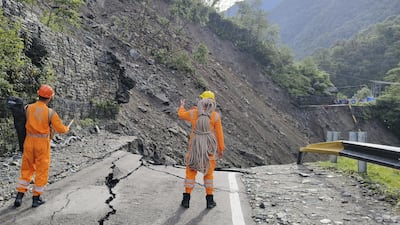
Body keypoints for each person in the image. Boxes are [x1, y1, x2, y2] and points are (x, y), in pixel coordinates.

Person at [14, 85, 71, 208]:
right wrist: (67, 128)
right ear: (49, 98)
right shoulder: (51, 113)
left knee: (26, 169)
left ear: (38, 94)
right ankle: (36, 198)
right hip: (42, 144)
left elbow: (22, 122)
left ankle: (19, 196)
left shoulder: (28, 108)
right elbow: (60, 129)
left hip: (29, 142)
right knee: (41, 170)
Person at [177, 90, 225, 209]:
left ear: (202, 100)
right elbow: (219, 134)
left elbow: (181, 115)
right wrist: (220, 149)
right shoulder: (215, 116)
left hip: (194, 148)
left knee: (190, 172)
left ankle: (186, 200)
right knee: (208, 175)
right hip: (208, 150)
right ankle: (210, 201)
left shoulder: (193, 113)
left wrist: (182, 106)